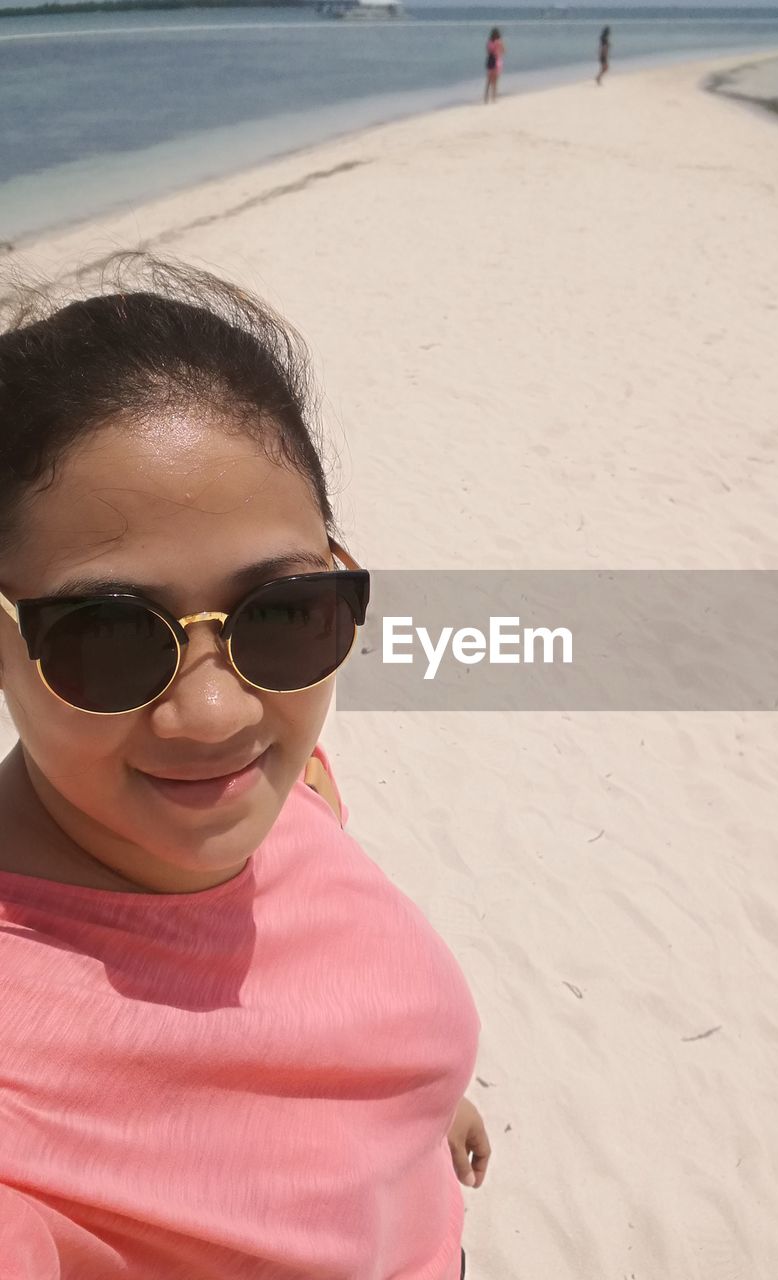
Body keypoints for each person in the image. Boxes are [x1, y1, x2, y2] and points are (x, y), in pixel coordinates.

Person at [0, 256, 490, 1279]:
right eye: (107, 636)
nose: (217, 712)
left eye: (281, 614)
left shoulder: (284, 788)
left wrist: (415, 1103)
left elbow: (327, 988)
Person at [484, 27, 504, 103]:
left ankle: (486, 97)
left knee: (488, 81)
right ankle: (494, 98)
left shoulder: (489, 42)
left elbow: (488, 51)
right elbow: (503, 51)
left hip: (490, 61)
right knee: (495, 82)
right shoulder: (499, 42)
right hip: (497, 61)